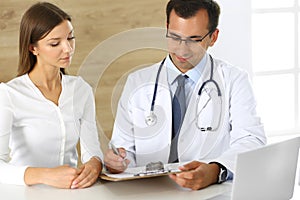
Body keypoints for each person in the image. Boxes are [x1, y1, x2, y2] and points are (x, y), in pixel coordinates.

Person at [104, 0, 266, 190]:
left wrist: (215, 171)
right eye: (174, 37)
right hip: (151, 192)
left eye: (194, 39)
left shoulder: (234, 80)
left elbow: (251, 140)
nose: (181, 49)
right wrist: (118, 162)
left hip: (209, 193)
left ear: (213, 37)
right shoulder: (137, 82)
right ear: (166, 28)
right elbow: (124, 150)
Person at [0, 2, 103, 189]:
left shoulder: (81, 89)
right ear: (33, 48)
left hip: (72, 193)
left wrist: (95, 164)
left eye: (70, 38)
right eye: (55, 43)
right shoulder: (9, 94)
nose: (68, 49)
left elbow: (92, 151)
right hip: (24, 194)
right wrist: (45, 175)